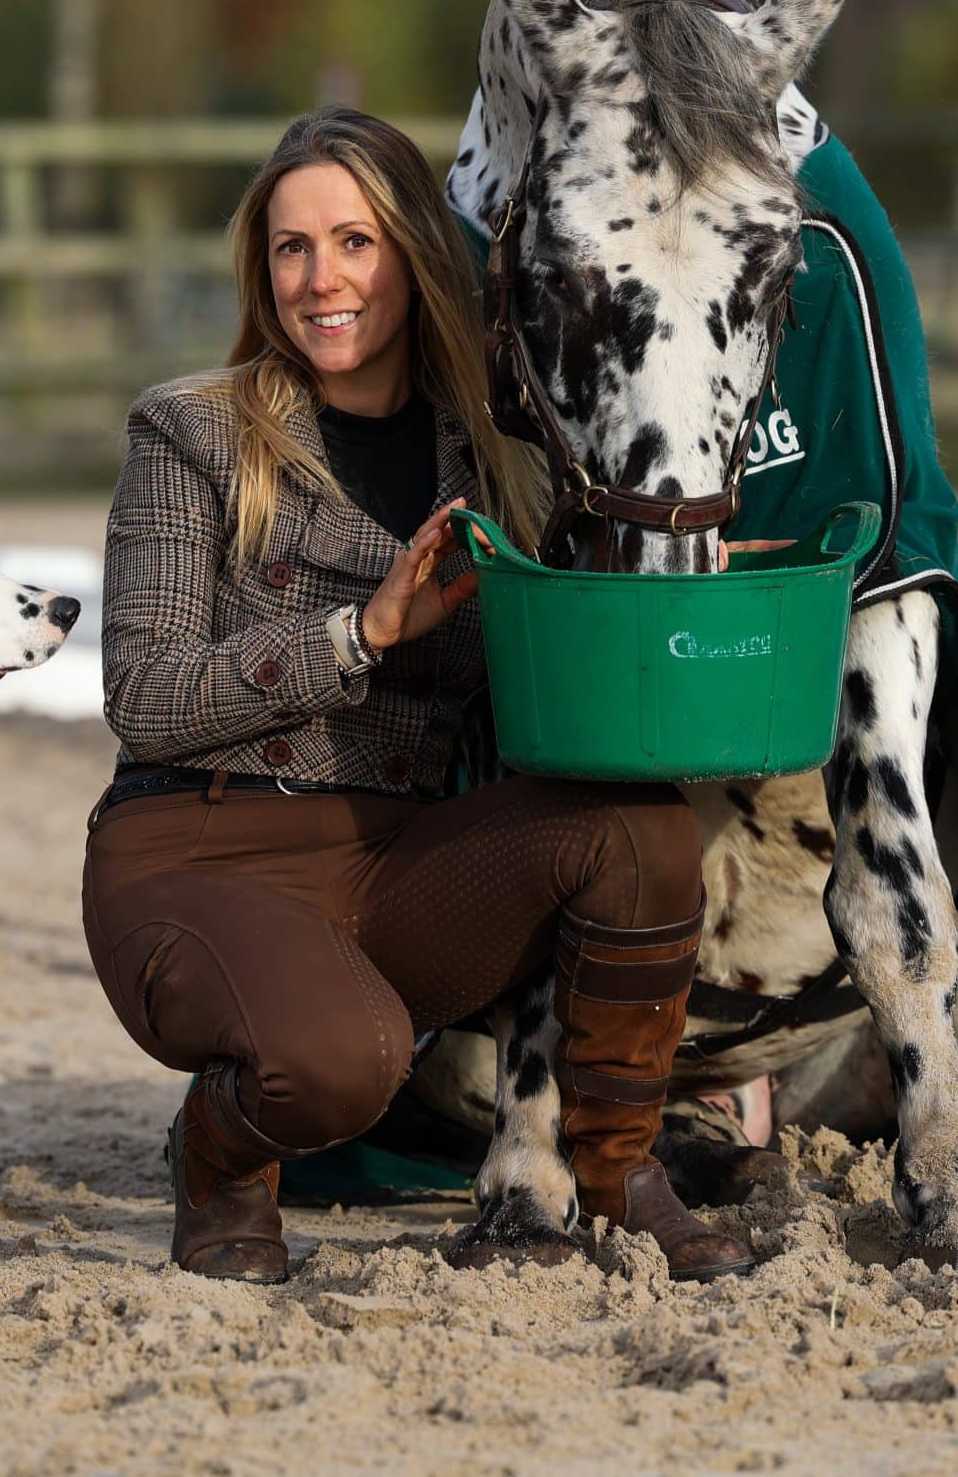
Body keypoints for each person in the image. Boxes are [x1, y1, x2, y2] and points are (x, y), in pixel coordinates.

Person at [80, 106, 753, 1284]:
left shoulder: (495, 462)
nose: (320, 279)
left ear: (410, 258)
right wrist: (361, 631)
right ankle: (216, 1159)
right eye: (291, 248)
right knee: (346, 1061)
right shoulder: (190, 431)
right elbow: (143, 695)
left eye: (354, 242)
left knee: (639, 836)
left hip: (390, 867)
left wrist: (681, 605)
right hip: (194, 850)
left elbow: (559, 680)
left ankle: (619, 1173)